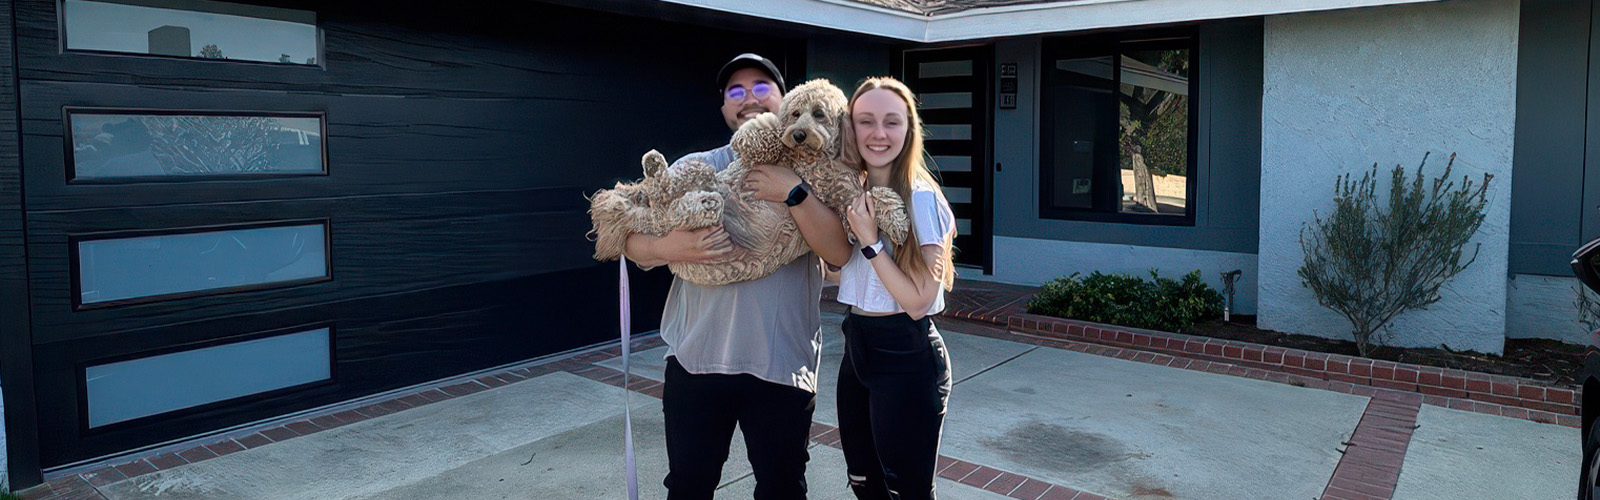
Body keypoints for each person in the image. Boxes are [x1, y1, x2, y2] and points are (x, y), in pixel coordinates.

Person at [622, 53, 853, 500]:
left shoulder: (818, 172)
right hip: (696, 362)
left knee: (782, 488)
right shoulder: (698, 165)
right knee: (689, 486)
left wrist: (792, 190)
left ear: (787, 101)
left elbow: (839, 254)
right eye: (735, 91)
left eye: (762, 86)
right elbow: (628, 235)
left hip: (782, 366)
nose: (748, 98)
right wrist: (672, 247)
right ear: (725, 108)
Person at [833, 77, 958, 500]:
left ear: (909, 130)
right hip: (858, 348)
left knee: (907, 492)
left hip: (906, 355)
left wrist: (869, 241)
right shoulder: (856, 194)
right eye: (865, 121)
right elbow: (843, 276)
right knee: (864, 483)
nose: (878, 134)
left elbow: (920, 300)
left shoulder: (920, 197)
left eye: (892, 122)